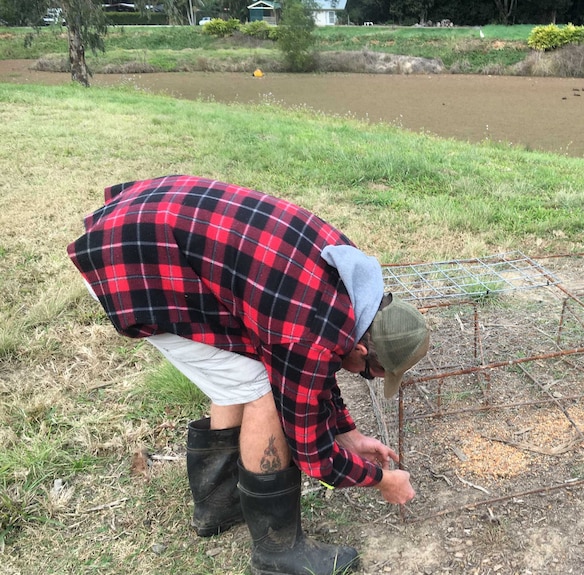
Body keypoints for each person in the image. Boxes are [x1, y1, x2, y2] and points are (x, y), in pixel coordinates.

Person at [67, 175, 430, 575]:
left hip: (148, 220)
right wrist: (380, 480)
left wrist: (350, 434)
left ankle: (217, 505)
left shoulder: (350, 281)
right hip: (136, 264)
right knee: (261, 388)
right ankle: (277, 554)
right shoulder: (308, 330)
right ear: (361, 349)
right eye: (371, 373)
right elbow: (313, 455)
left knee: (241, 367)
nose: (368, 377)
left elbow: (315, 365)